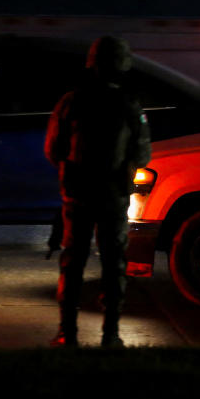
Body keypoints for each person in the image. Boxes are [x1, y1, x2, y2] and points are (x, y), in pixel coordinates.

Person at [44, 36, 151, 347]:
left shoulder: (71, 102)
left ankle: (67, 333)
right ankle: (111, 334)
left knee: (73, 262)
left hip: (78, 194)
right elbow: (142, 153)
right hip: (113, 196)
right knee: (114, 263)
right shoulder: (130, 105)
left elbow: (53, 149)